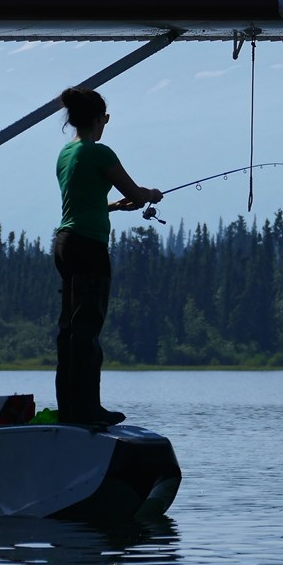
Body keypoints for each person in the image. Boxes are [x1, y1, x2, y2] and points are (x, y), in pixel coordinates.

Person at [54, 87, 163, 425]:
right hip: (89, 247)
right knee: (87, 330)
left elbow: (86, 201)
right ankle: (88, 409)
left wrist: (115, 205)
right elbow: (136, 192)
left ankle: (69, 407)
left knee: (69, 330)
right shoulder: (99, 152)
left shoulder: (66, 153)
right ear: (100, 120)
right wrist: (150, 194)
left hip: (64, 242)